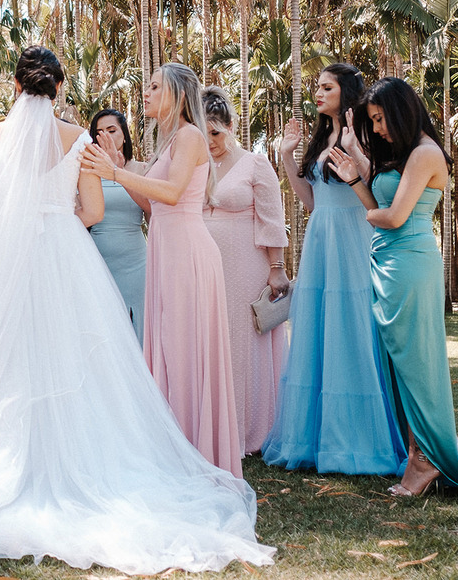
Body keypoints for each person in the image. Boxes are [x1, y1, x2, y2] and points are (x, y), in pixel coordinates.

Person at [0, 47, 272, 574]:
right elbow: (92, 211)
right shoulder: (78, 139)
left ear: (16, 86)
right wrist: (52, 213)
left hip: (6, 262)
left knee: (3, 360)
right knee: (75, 362)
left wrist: (20, 214)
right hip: (64, 258)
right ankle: (75, 465)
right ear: (60, 90)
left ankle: (5, 464)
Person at [328, 78, 458, 498]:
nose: (376, 129)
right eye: (372, 121)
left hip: (410, 266)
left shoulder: (427, 153)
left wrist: (371, 215)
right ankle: (416, 452)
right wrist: (355, 178)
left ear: (399, 112)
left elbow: (391, 218)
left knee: (416, 366)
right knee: (396, 366)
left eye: (379, 120)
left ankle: (426, 460)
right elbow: (380, 209)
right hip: (385, 263)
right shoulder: (405, 155)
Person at [83, 63, 243, 477]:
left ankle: (196, 455)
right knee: (167, 350)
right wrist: (120, 170)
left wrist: (115, 173)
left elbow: (172, 194)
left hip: (187, 253)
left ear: (174, 93)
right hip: (164, 250)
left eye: (154, 87)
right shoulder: (168, 139)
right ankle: (173, 452)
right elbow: (152, 207)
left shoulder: (190, 135)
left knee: (184, 350)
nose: (147, 93)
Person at [261, 63, 407, 476]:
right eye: (317, 86)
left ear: (346, 90)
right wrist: (286, 156)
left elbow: (374, 184)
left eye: (326, 86)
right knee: (320, 331)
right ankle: (315, 437)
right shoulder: (321, 136)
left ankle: (358, 439)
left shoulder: (363, 130)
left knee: (353, 329)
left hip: (352, 237)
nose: (318, 92)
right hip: (321, 236)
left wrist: (354, 145)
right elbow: (310, 200)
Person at [200, 86, 291, 455]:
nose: (211, 142)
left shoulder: (255, 164)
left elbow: (272, 219)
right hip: (205, 265)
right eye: (203, 134)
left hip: (245, 264)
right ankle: (214, 427)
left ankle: (249, 430)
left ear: (232, 126)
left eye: (216, 133)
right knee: (212, 338)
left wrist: (276, 268)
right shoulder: (197, 163)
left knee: (241, 343)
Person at [86, 109, 148, 345]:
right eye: (100, 133)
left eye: (112, 131)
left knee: (137, 330)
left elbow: (151, 213)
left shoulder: (141, 169)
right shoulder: (87, 171)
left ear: (124, 134)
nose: (107, 137)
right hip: (98, 261)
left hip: (136, 264)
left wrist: (119, 171)